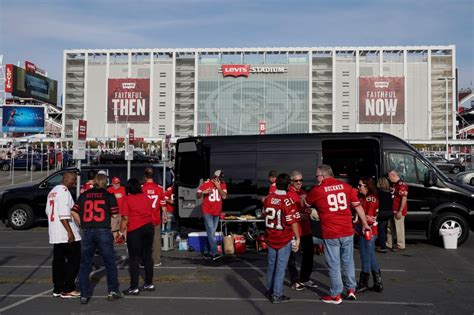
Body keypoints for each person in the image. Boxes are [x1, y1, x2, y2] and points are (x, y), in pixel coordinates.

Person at [304, 165, 370, 305]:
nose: (316, 179)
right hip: (347, 230)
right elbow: (358, 206)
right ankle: (351, 289)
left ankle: (336, 295)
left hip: (331, 231)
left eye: (317, 176)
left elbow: (306, 203)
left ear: (322, 175)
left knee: (334, 264)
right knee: (348, 261)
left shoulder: (318, 189)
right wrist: (365, 224)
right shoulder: (345, 186)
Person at [71, 173, 122, 304]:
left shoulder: (84, 195)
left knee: (85, 264)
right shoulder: (108, 195)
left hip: (87, 230)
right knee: (110, 262)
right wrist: (115, 232)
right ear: (105, 182)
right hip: (103, 230)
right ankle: (112, 291)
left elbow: (73, 211)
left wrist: (82, 224)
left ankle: (84, 294)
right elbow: (115, 215)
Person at [263, 173, 300, 304]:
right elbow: (293, 221)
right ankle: (277, 294)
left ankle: (269, 289)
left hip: (271, 236)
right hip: (283, 237)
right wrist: (297, 238)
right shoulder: (287, 200)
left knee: (271, 265)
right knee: (280, 267)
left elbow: (264, 215)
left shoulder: (268, 198)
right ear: (288, 185)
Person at [45, 171, 81, 299]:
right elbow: (64, 215)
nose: (75, 183)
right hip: (66, 234)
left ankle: (58, 288)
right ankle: (68, 288)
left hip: (55, 233)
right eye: (74, 180)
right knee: (74, 261)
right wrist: (70, 232)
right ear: (67, 179)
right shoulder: (64, 192)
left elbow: (48, 211)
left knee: (58, 262)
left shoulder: (52, 192)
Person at [118, 178, 155, 295]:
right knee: (147, 256)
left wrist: (120, 231)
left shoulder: (127, 198)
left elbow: (125, 218)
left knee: (134, 258)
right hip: (149, 227)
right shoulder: (145, 197)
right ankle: (149, 283)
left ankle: (134, 287)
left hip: (135, 228)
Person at [287, 170, 317, 289]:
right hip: (294, 230)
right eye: (296, 181)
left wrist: (309, 211)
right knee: (293, 256)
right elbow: (288, 213)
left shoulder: (303, 192)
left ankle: (305, 278)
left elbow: (306, 208)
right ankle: (294, 281)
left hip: (306, 229)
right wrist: (301, 215)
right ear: (291, 181)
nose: (299, 183)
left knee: (309, 254)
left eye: (301, 180)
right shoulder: (288, 194)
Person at [355, 177, 383, 293]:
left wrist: (360, 220)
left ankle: (364, 282)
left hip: (368, 231)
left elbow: (369, 218)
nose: (358, 187)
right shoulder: (365, 197)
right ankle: (377, 282)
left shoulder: (370, 199)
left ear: (366, 186)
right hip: (367, 230)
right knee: (370, 256)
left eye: (360, 185)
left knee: (366, 256)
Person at [196, 170, 227, 261]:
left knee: (211, 233)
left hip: (217, 212)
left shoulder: (222, 184)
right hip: (207, 211)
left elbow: (224, 196)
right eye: (219, 178)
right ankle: (214, 253)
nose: (221, 180)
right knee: (210, 231)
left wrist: (218, 187)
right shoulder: (206, 183)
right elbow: (197, 195)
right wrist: (203, 192)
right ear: (215, 176)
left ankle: (206, 251)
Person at [141, 167, 167, 267]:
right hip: (155, 217)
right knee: (156, 240)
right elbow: (163, 203)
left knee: (144, 240)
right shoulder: (159, 188)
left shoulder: (142, 188)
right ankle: (156, 260)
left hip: (144, 219)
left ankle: (144, 260)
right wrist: (164, 215)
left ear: (145, 175)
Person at [386, 169, 408, 251]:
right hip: (392, 209)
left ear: (394, 175)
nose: (388, 178)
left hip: (398, 210)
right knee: (389, 227)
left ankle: (400, 245)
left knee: (399, 228)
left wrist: (400, 211)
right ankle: (389, 243)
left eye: (389, 176)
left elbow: (404, 199)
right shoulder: (393, 184)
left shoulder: (401, 185)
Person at [375, 177, 392, 253]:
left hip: (381, 213)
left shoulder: (377, 193)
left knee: (380, 229)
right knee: (384, 229)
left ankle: (383, 247)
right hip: (388, 212)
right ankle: (384, 243)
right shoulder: (389, 193)